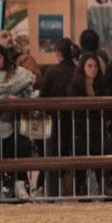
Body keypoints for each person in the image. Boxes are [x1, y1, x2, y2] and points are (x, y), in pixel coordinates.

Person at [0, 44, 36, 198]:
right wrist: (3, 99)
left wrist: (17, 100)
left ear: (5, 58)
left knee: (21, 147)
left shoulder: (19, 76)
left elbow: (29, 97)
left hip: (14, 127)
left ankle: (19, 185)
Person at [66, 52, 112, 195]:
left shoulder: (100, 86)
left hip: (98, 131)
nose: (93, 69)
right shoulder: (74, 87)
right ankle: (82, 188)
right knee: (81, 160)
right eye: (89, 66)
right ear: (82, 68)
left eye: (96, 66)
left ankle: (104, 182)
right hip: (80, 132)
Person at [38, 38, 78, 196]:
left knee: (53, 155)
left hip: (54, 121)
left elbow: (42, 96)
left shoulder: (51, 71)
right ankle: (77, 190)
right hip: (75, 121)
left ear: (58, 53)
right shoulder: (77, 70)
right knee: (74, 155)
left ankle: (51, 191)